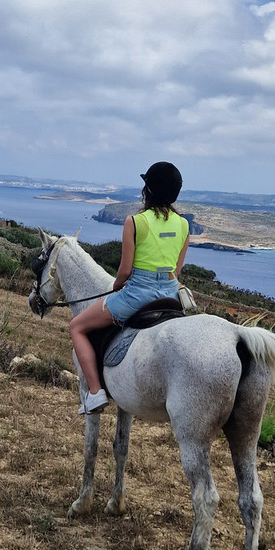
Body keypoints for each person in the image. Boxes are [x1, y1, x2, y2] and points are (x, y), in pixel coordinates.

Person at [70, 161, 190, 414]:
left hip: (138, 294)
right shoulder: (184, 225)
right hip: (170, 294)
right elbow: (176, 270)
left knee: (77, 327)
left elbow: (124, 272)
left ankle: (94, 393)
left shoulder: (135, 222)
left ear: (148, 190)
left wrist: (116, 286)